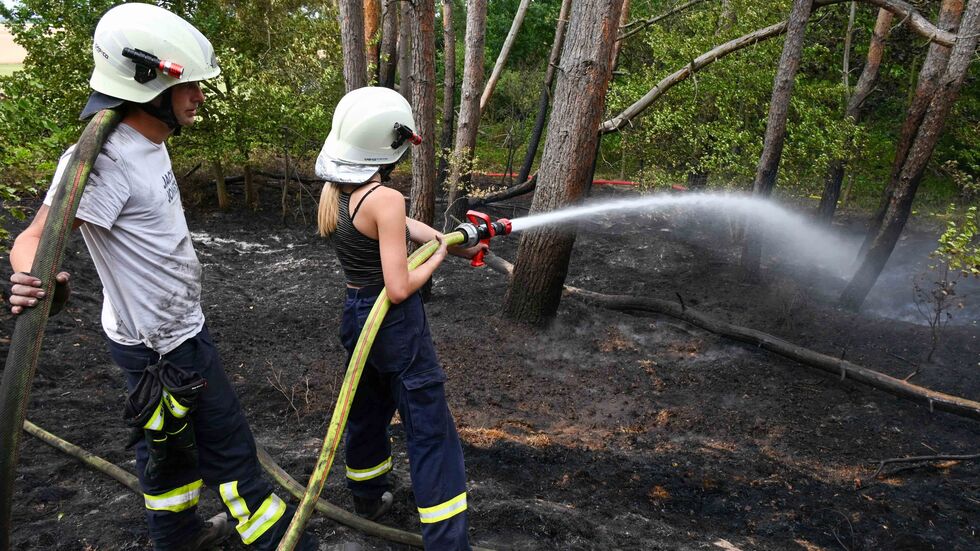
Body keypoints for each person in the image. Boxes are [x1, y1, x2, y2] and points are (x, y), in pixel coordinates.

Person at [7, 4, 315, 550]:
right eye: (191, 86)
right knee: (234, 460)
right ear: (148, 81)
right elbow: (35, 236)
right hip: (167, 350)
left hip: (155, 337)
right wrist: (36, 276)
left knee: (169, 450)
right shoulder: (104, 161)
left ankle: (179, 536)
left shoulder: (147, 142)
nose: (199, 96)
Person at [315, 87, 482, 550]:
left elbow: (407, 229)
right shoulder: (385, 198)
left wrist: (452, 239)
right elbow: (399, 285)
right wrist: (438, 260)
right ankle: (448, 542)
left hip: (355, 315)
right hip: (393, 322)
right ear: (391, 145)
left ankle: (367, 494)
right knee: (430, 429)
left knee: (368, 408)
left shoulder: (339, 192)